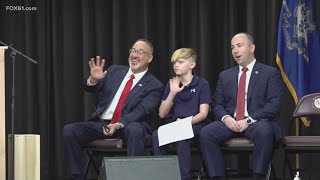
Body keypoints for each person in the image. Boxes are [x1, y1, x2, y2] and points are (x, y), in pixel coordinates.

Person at [63, 39, 163, 180]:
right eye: (133, 51)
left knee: (135, 129)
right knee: (70, 130)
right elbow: (92, 88)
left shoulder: (154, 85)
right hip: (102, 124)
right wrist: (93, 79)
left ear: (150, 58)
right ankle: (77, 177)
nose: (134, 55)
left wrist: (119, 123)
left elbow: (141, 111)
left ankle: (133, 177)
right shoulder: (114, 71)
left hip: (128, 125)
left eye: (140, 52)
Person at [199, 32, 284, 180]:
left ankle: (259, 176)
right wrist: (226, 118)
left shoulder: (270, 73)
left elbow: (274, 104)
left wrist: (249, 120)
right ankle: (217, 177)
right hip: (230, 122)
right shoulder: (225, 76)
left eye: (239, 46)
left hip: (256, 122)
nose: (235, 51)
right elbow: (217, 104)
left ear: (252, 48)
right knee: (206, 133)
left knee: (265, 130)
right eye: (232, 47)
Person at [152, 48, 212, 180]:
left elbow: (203, 114)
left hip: (196, 124)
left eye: (180, 62)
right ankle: (162, 175)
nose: (176, 65)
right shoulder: (172, 84)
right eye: (174, 62)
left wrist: (185, 123)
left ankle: (184, 177)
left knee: (182, 135)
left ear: (192, 65)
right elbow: (162, 114)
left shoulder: (202, 84)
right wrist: (172, 93)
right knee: (157, 135)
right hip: (177, 123)